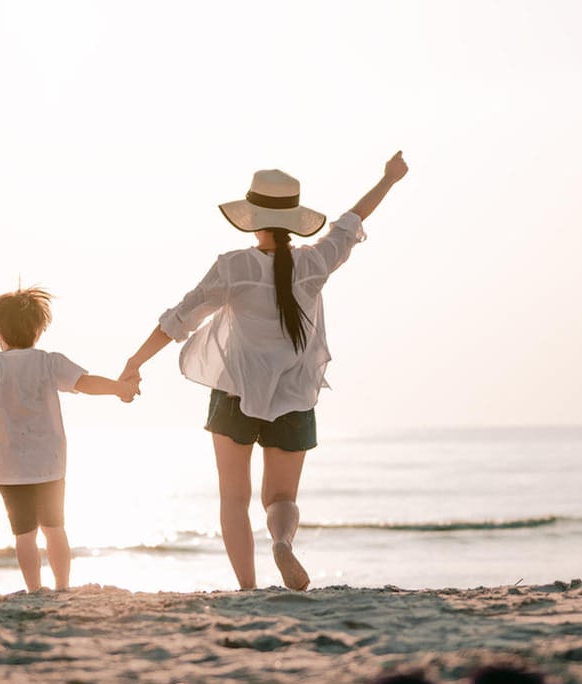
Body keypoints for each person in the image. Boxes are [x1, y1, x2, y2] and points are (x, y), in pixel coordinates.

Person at [121, 152, 409, 591]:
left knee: (234, 500)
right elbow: (352, 220)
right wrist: (388, 179)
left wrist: (134, 363)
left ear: (252, 218)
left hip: (235, 391)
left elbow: (179, 320)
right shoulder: (315, 263)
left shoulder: (234, 267)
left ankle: (248, 589)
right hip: (294, 394)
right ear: (293, 221)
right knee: (281, 498)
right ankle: (282, 541)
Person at [0, 288, 139, 593]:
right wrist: (119, 388)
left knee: (24, 535)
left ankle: (33, 589)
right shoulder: (49, 362)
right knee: (55, 529)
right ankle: (62, 586)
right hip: (50, 463)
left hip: (10, 466)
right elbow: (87, 383)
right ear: (39, 330)